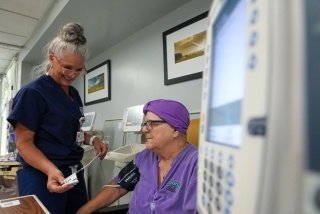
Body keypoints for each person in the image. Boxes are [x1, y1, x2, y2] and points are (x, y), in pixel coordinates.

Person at [7, 22, 108, 214]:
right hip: (42, 174)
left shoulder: (74, 94)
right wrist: (50, 170)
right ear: (52, 59)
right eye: (67, 67)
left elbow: (71, 129)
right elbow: (24, 143)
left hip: (72, 172)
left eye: (79, 69)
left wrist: (93, 139)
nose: (73, 74)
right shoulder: (33, 93)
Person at [76, 99, 198, 214]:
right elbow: (118, 187)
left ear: (175, 129)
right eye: (144, 124)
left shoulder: (197, 164)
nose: (144, 129)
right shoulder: (145, 156)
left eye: (152, 124)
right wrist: (83, 211)